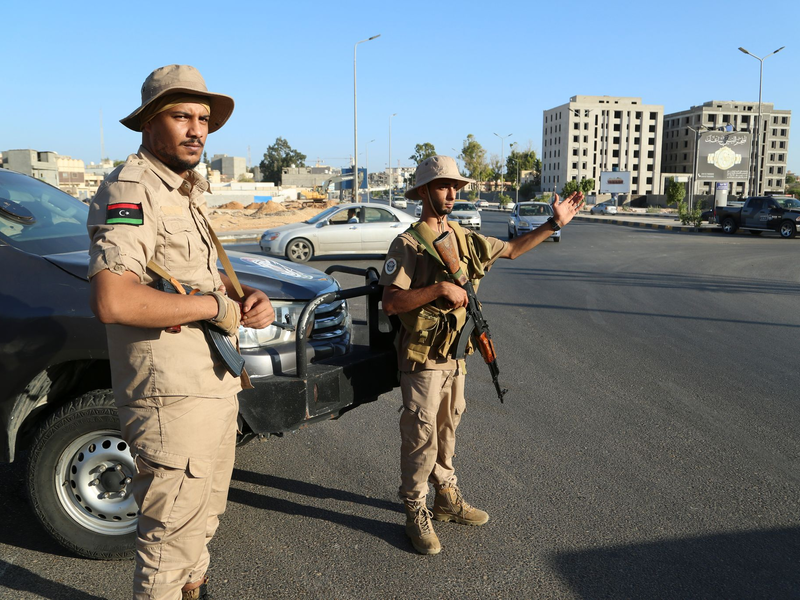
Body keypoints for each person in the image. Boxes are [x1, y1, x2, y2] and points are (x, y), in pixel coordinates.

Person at [88, 64, 274, 600]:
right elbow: (113, 299)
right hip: (170, 398)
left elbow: (193, 273)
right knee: (168, 546)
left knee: (201, 522)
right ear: (149, 122)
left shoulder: (184, 190)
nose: (197, 130)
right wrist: (214, 306)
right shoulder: (132, 188)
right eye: (181, 117)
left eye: (204, 119)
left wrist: (242, 295)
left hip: (213, 383)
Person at [380, 155, 583, 555]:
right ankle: (415, 509)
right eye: (443, 186)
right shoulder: (407, 244)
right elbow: (391, 302)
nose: (451, 193)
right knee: (421, 435)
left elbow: (513, 249)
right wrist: (439, 290)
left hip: (455, 353)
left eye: (455, 187)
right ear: (423, 191)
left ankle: (445, 497)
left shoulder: (464, 238)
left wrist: (553, 223)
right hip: (423, 358)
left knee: (447, 429)